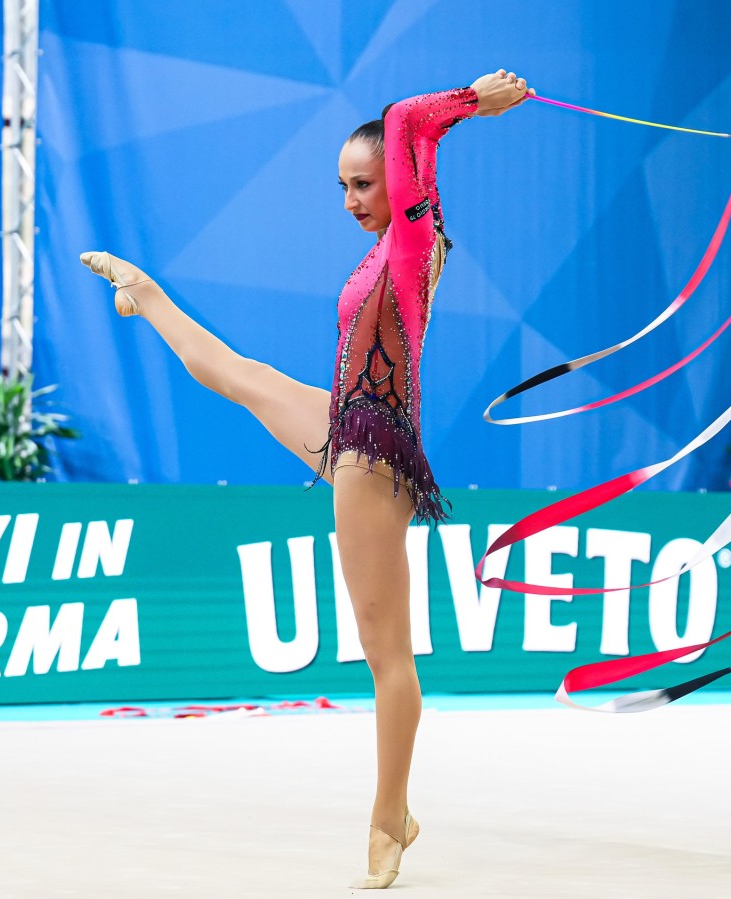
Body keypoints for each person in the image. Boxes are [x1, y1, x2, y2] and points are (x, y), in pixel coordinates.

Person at [80, 69, 533, 888]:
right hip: (349, 426)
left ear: (400, 182)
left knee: (387, 654)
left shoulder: (414, 242)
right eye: (343, 187)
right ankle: (145, 293)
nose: (352, 200)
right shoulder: (389, 245)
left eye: (365, 184)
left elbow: (408, 119)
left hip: (374, 456)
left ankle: (390, 816)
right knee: (241, 375)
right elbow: (412, 137)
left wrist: (473, 102)